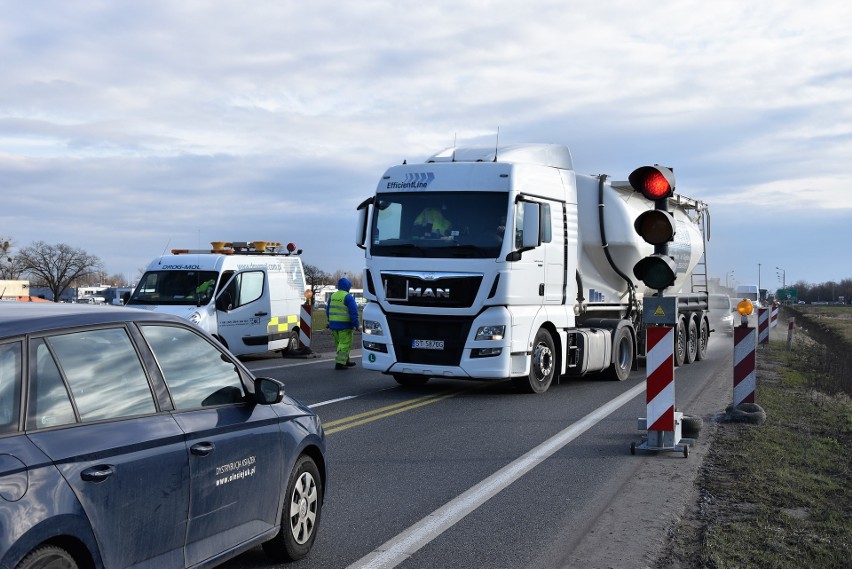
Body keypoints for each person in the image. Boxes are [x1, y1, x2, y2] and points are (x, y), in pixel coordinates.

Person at [326, 277, 360, 370]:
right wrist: (357, 325)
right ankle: (340, 364)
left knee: (339, 344)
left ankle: (345, 361)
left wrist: (329, 321)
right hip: (345, 326)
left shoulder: (332, 296)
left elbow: (327, 310)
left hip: (333, 325)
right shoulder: (348, 297)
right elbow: (353, 313)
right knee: (345, 345)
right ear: (348, 286)